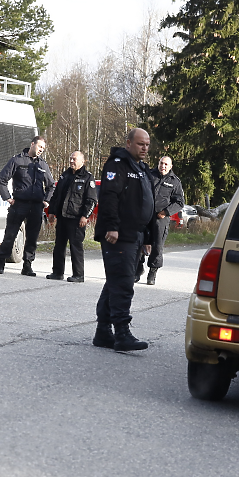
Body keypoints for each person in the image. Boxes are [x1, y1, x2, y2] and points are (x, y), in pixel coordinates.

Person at [92, 128, 154, 352]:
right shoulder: (118, 164)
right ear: (128, 143)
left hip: (134, 235)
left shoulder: (141, 168)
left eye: (147, 144)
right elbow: (109, 196)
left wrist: (147, 236)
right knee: (123, 283)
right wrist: (112, 226)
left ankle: (102, 332)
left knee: (115, 282)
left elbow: (145, 203)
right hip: (119, 235)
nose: (145, 148)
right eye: (140, 144)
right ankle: (121, 333)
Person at [0, 136, 54, 276]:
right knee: (10, 234)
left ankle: (27, 265)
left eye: (43, 149)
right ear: (32, 144)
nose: (41, 150)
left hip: (36, 206)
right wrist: (7, 198)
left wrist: (46, 201)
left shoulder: (42, 165)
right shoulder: (17, 160)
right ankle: (1, 263)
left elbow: (51, 186)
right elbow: (1, 180)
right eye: (39, 147)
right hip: (19, 204)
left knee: (32, 237)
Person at [46, 151, 97, 283]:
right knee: (59, 246)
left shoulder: (87, 178)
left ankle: (78, 275)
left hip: (76, 219)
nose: (71, 161)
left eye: (74, 159)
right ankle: (57, 272)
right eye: (71, 159)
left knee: (76, 246)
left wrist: (85, 216)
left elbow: (91, 200)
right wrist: (51, 211)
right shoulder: (65, 175)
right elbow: (56, 195)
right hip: (63, 217)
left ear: (82, 161)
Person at [135, 155, 184, 286]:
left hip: (160, 218)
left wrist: (165, 212)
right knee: (138, 241)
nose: (163, 166)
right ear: (158, 163)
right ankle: (138, 268)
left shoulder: (175, 182)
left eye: (166, 164)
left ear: (170, 166)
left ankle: (153, 272)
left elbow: (179, 203)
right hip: (145, 216)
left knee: (157, 246)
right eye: (161, 163)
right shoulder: (149, 175)